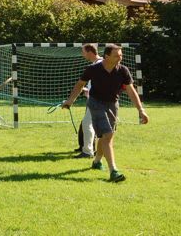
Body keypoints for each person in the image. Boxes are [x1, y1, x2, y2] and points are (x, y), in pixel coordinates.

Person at [63, 44, 149, 182]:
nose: (120, 58)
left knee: (105, 137)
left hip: (113, 104)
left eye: (121, 55)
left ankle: (97, 161)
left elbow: (131, 91)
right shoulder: (93, 69)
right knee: (108, 135)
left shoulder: (123, 70)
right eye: (116, 56)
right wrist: (70, 101)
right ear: (107, 56)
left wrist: (141, 110)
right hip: (95, 103)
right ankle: (113, 171)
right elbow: (80, 84)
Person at [73, 44, 102, 159]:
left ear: (90, 52)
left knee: (89, 124)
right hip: (95, 99)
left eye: (83, 52)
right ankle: (91, 150)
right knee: (89, 124)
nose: (83, 54)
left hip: (98, 101)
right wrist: (88, 90)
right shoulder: (97, 64)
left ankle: (88, 151)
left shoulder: (99, 64)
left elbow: (103, 84)